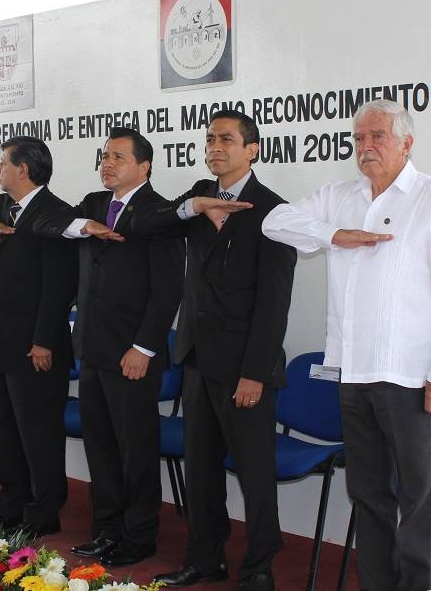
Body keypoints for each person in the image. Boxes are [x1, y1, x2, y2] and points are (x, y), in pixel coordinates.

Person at [262, 99, 431, 591]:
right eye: (359, 138)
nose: (366, 147)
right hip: (353, 372)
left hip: (411, 377)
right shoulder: (340, 196)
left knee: (419, 498)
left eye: (377, 136)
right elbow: (273, 223)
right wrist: (332, 234)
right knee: (368, 493)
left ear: (407, 142)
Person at [133, 110, 296, 591]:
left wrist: (255, 372)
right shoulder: (197, 198)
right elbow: (145, 225)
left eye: (227, 139)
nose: (215, 146)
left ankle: (259, 567)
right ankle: (205, 559)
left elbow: (274, 304)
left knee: (255, 474)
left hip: (247, 367)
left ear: (252, 150)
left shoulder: (273, 210)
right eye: (209, 139)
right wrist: (192, 208)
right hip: (198, 360)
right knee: (201, 470)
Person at [31, 127, 185, 566]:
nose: (107, 163)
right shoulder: (93, 205)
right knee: (100, 448)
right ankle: (108, 530)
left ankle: (140, 536)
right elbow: (46, 223)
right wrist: (85, 225)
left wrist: (145, 347)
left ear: (144, 165)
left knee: (135, 450)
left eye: (118, 156)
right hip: (93, 349)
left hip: (133, 355)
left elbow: (168, 290)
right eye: (104, 156)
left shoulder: (160, 213)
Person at [0, 135, 78, 538]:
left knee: (37, 433)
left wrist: (43, 340)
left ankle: (43, 513)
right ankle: (12, 510)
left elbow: (60, 286)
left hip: (34, 346)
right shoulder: (1, 206)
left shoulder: (57, 213)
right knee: (4, 432)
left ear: (22, 170)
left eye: (2, 163)